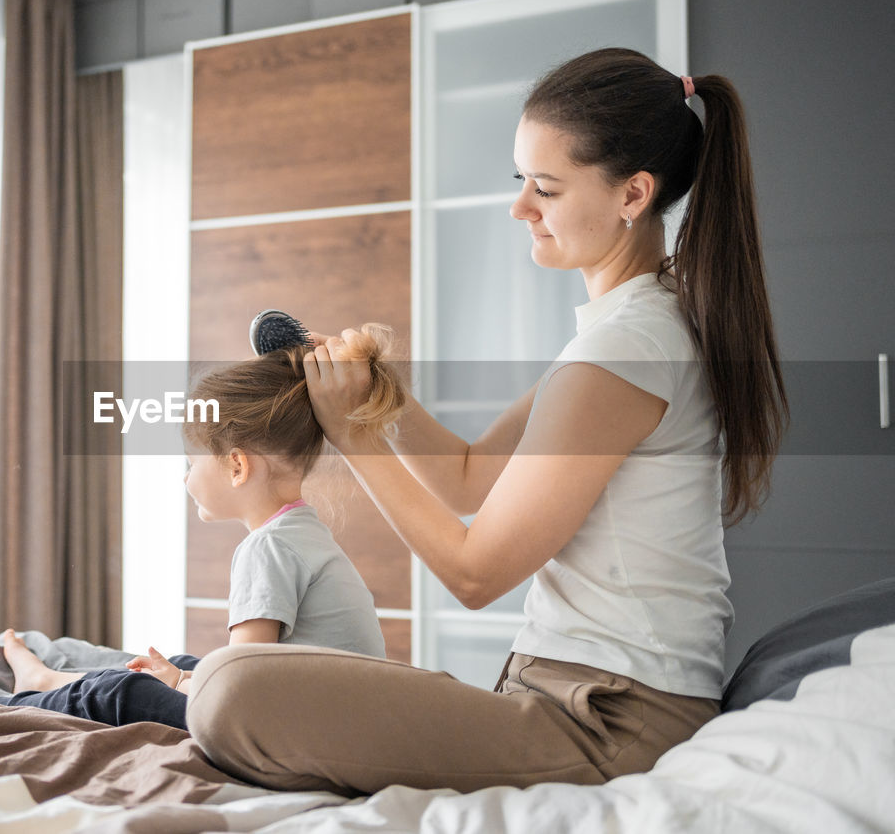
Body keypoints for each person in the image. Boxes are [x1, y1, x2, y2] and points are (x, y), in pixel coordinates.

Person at [186, 47, 790, 796]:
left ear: (633, 193)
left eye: (545, 187)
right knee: (227, 684)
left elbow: (475, 573)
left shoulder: (624, 351)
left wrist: (355, 435)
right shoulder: (630, 330)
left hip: (610, 724)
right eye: (520, 181)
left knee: (227, 691)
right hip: (581, 701)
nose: (520, 208)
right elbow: (468, 478)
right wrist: (380, 394)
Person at [0, 331, 406, 730]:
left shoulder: (267, 548)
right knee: (181, 664)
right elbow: (261, 668)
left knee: (122, 693)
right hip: (326, 723)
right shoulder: (304, 533)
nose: (185, 477)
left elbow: (242, 686)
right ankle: (46, 678)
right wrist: (182, 677)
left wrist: (183, 686)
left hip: (292, 739)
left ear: (236, 466)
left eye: (190, 462)